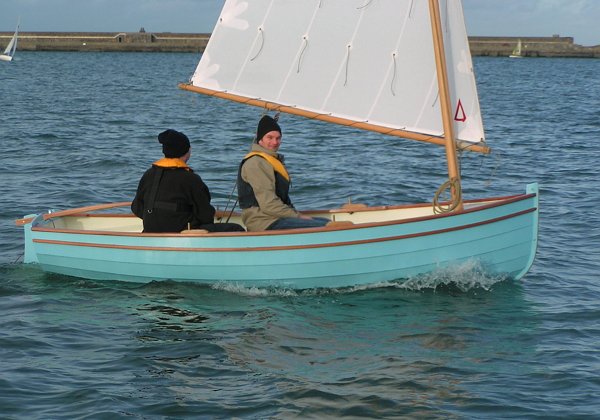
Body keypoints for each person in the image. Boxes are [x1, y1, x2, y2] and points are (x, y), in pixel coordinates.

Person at [132, 129, 245, 233]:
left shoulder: (149, 174)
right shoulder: (191, 179)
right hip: (182, 234)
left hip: (150, 232)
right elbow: (205, 216)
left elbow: (136, 207)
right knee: (236, 228)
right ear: (187, 151)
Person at [237, 115, 329, 232]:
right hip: (263, 222)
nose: (275, 142)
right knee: (325, 227)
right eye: (269, 137)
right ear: (260, 140)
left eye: (278, 138)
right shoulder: (256, 163)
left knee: (327, 222)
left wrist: (298, 215)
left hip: (276, 217)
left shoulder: (270, 161)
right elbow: (268, 204)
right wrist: (298, 216)